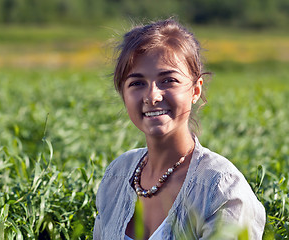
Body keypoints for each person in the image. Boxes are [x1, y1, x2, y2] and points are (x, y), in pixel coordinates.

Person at [93, 18, 266, 240]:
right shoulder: (117, 176)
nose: (152, 96)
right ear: (123, 94)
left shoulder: (220, 188)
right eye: (137, 83)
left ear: (195, 90)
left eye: (168, 80)